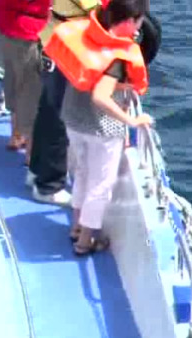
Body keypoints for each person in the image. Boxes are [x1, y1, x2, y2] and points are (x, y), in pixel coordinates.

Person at [44, 0, 153, 255]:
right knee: (100, 186)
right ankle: (85, 242)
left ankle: (76, 227)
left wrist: (119, 86)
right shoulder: (118, 56)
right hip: (102, 130)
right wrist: (132, 120)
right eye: (139, 20)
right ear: (130, 21)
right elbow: (100, 96)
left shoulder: (88, 33)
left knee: (82, 173)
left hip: (73, 119)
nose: (140, 26)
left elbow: (91, 78)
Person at [26, 0, 103, 205]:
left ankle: (37, 171)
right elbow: (97, 9)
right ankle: (49, 186)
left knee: (48, 110)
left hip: (55, 41)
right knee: (60, 117)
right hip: (68, 46)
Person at [0, 0, 51, 162]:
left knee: (14, 82)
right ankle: (32, 153)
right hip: (29, 29)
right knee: (30, 92)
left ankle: (17, 135)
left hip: (9, 24)